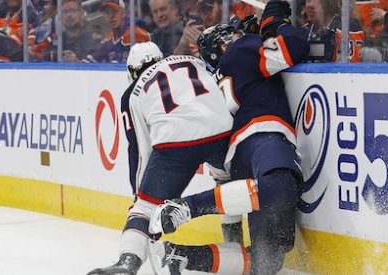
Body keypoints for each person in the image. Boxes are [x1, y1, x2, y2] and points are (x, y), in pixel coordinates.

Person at [148, 1, 310, 274]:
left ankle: (178, 256)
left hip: (238, 162)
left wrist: (232, 232)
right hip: (263, 138)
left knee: (267, 262)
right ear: (224, 45)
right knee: (282, 188)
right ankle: (185, 208)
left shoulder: (213, 86)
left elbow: (221, 175)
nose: (242, 33)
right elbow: (294, 46)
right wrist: (273, 21)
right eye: (234, 33)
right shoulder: (239, 50)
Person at [87, 41, 234, 275]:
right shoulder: (193, 61)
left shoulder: (133, 92)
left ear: (133, 71)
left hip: (175, 142)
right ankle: (234, 241)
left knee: (144, 208)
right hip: (223, 130)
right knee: (228, 186)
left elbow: (140, 150)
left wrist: (140, 198)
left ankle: (129, 262)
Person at [85, 0, 150, 63]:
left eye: (115, 11)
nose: (111, 16)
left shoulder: (135, 33)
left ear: (123, 12)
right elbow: (90, 60)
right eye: (107, 13)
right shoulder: (107, 40)